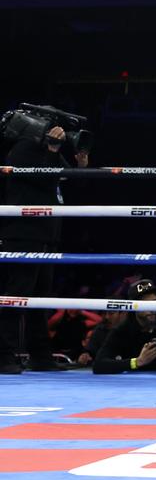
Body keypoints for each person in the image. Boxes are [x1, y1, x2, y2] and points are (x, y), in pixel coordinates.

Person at [0, 124, 88, 373]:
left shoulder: (47, 151)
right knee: (16, 298)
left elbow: (63, 175)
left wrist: (81, 165)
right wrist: (52, 149)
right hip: (23, 235)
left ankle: (40, 355)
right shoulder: (22, 149)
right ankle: (3, 355)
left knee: (40, 300)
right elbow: (44, 174)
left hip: (46, 236)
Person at [92, 280, 156, 374]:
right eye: (146, 304)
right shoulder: (123, 329)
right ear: (134, 307)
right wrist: (137, 362)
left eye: (154, 302)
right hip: (136, 386)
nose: (152, 309)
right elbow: (99, 365)